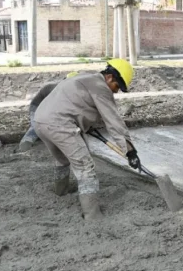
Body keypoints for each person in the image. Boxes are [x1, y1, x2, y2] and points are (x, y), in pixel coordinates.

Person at [33, 59, 140, 220]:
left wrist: (87, 125)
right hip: (60, 125)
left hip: (40, 121)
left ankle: (61, 191)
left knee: (62, 159)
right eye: (117, 86)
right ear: (110, 77)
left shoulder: (83, 77)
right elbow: (114, 121)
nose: (116, 92)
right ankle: (92, 215)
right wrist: (130, 151)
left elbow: (76, 105)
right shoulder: (101, 88)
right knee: (85, 166)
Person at [18, 71, 79, 153]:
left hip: (47, 107)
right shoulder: (55, 88)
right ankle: (26, 143)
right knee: (37, 125)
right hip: (36, 106)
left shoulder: (65, 89)